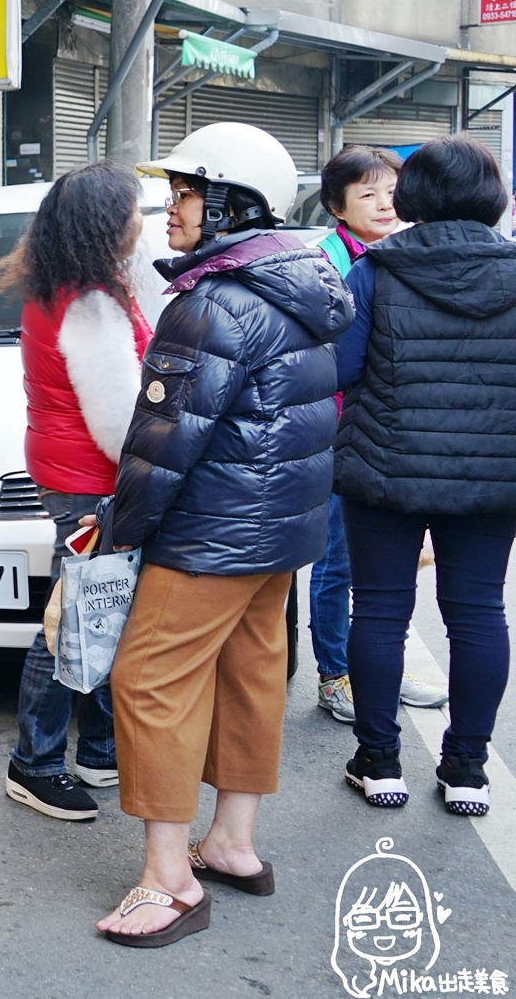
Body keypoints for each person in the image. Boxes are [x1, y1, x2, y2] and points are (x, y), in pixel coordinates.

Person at [89, 122, 351, 946]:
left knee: (149, 679)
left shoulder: (212, 302)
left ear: (236, 204)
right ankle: (232, 842)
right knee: (251, 673)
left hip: (211, 530)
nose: (173, 209)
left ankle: (168, 879)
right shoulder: (298, 284)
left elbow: (163, 441)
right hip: (279, 527)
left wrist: (118, 533)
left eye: (189, 194)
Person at [332, 136, 516, 817]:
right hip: (494, 478)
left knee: (379, 607)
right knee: (478, 612)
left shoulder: (376, 271)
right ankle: (467, 768)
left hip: (385, 469)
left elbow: (341, 369)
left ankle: (379, 761)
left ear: (413, 198)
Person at [0, 161, 151, 822]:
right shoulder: (88, 304)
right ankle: (35, 761)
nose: (143, 220)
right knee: (75, 621)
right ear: (108, 227)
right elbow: (121, 425)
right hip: (93, 481)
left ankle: (99, 749)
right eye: (134, 211)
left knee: (98, 612)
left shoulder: (59, 286)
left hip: (69, 471)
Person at [307, 146, 448, 724]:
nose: (384, 202)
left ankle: (377, 669)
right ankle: (335, 675)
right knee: (339, 560)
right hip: (341, 433)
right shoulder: (325, 263)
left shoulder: (404, 254)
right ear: (337, 206)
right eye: (367, 193)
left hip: (394, 433)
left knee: (384, 567)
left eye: (391, 189)